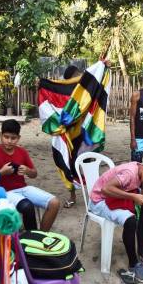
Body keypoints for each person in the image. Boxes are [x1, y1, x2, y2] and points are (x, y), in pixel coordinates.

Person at [88, 156, 143, 284]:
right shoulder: (129, 174)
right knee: (130, 220)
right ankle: (133, 264)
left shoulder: (142, 171)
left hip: (115, 197)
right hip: (99, 201)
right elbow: (106, 189)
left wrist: (142, 194)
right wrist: (132, 196)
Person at [0, 119, 61, 231]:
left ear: (18, 138)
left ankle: (41, 235)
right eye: (6, 137)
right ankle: (32, 238)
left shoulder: (22, 152)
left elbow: (34, 174)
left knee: (54, 203)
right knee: (27, 206)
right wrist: (1, 172)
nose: (9, 141)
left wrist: (27, 170)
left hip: (23, 188)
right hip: (2, 192)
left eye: (13, 138)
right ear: (0, 136)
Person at [61, 64, 83, 208]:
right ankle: (73, 196)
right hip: (68, 135)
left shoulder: (85, 90)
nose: (79, 77)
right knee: (69, 165)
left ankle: (93, 196)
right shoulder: (64, 93)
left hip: (83, 134)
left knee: (86, 164)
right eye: (76, 76)